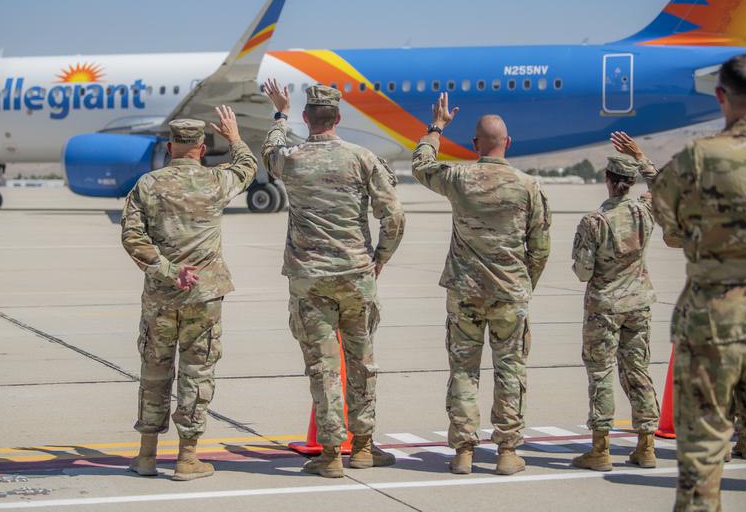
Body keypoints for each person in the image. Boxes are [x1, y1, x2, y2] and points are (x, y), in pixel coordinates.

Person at [652, 53, 746, 510]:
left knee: (701, 458)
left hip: (710, 325)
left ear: (720, 96)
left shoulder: (695, 160)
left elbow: (669, 227)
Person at [262, 79, 405, 478]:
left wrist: (279, 112)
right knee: (362, 362)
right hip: (355, 275)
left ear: (307, 119)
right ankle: (362, 446)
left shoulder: (291, 158)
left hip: (309, 279)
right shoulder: (363, 158)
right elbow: (393, 215)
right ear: (338, 118)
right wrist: (380, 258)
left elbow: (269, 151)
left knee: (323, 367)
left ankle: (330, 453)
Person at [412, 93, 551, 476]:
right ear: (508, 143)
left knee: (463, 372)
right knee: (510, 371)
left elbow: (421, 165)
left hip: (465, 295)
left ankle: (463, 452)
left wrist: (437, 127)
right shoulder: (528, 186)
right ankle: (507, 452)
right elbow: (540, 247)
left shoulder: (458, 178)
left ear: (474, 145)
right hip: (509, 295)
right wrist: (523, 284)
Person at [120, 108, 257, 481]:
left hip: (162, 296)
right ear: (201, 148)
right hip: (204, 295)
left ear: (169, 147)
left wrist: (167, 270)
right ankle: (187, 458)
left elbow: (132, 236)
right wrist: (234, 136)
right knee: (197, 374)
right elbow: (247, 167)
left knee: (154, 372)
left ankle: (146, 456)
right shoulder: (216, 181)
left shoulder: (147, 185)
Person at [570, 133, 661, 471]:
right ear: (631, 183)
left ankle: (601, 448)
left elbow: (582, 271)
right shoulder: (644, 211)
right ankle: (646, 445)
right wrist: (642, 158)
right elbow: (665, 190)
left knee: (602, 373)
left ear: (608, 181)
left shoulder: (594, 222)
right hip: (638, 304)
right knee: (638, 370)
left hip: (604, 308)